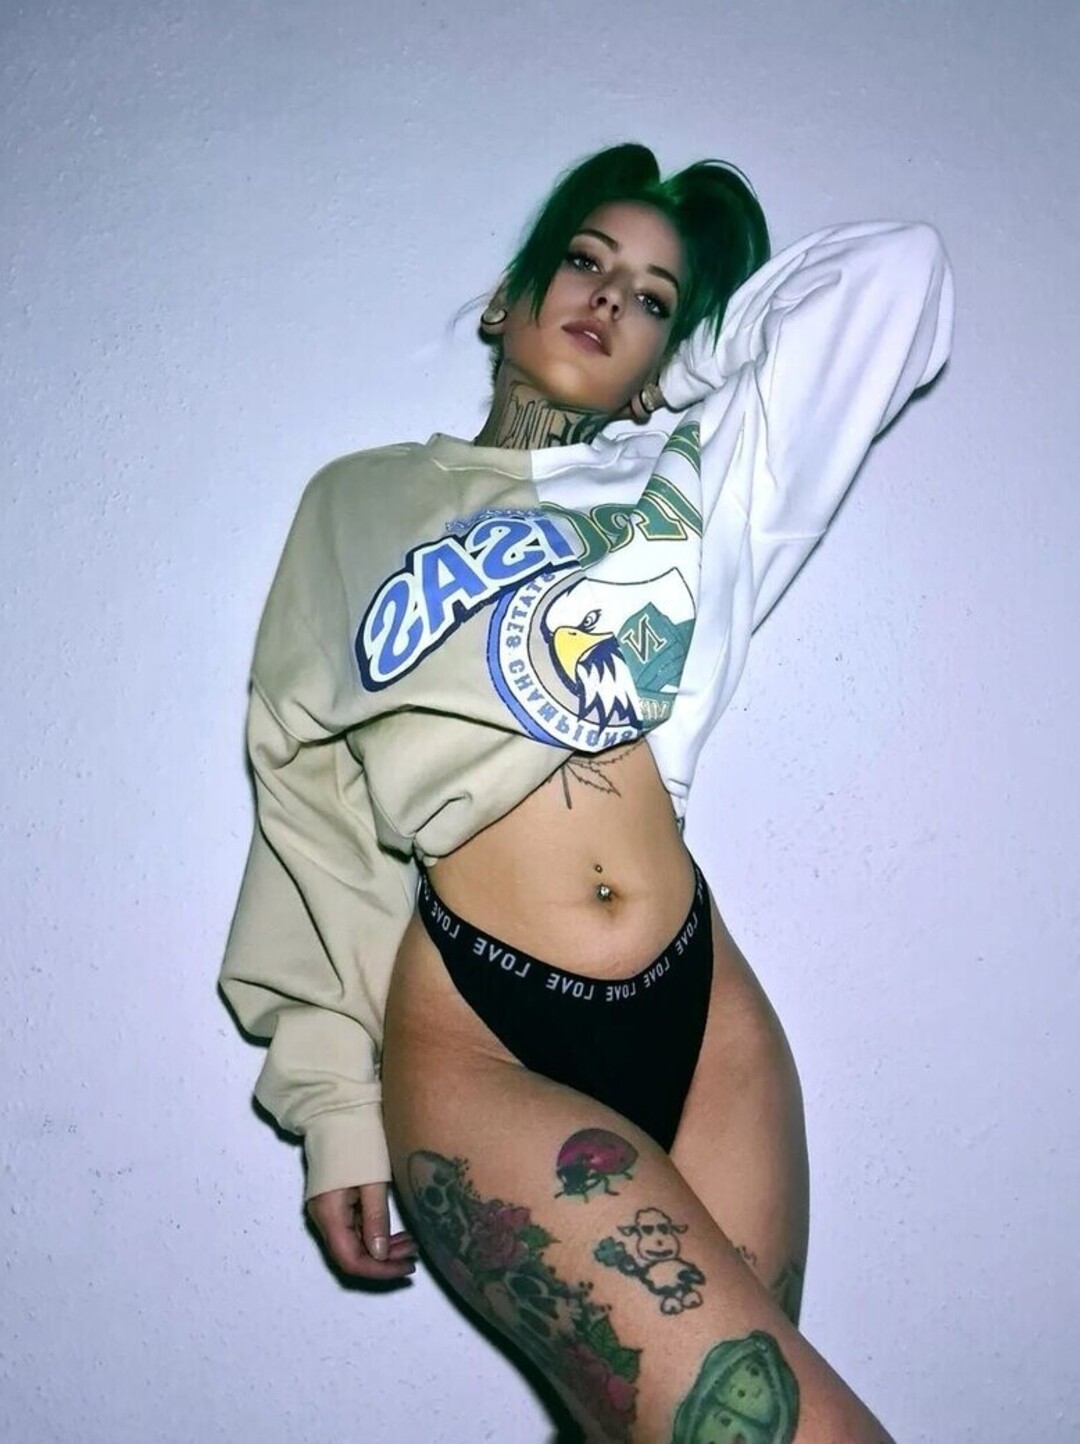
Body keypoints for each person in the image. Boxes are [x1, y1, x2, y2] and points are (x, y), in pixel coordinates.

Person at [221, 143, 953, 1442]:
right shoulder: (360, 503)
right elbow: (309, 809)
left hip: (706, 1016)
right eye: (585, 261)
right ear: (509, 299)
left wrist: (694, 366)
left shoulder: (696, 477)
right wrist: (335, 1109)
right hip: (483, 1029)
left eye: (654, 297)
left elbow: (895, 276)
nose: (611, 297)